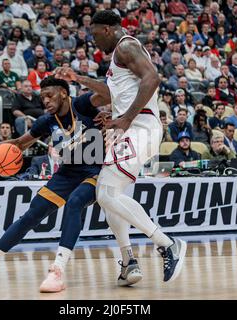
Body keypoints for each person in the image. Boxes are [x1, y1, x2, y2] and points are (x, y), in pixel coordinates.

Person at [57, 10, 187, 284]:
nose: (93, 42)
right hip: (134, 128)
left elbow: (153, 78)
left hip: (140, 128)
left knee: (104, 192)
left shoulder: (126, 46)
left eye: (94, 35)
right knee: (109, 197)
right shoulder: (120, 58)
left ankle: (167, 243)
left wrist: (127, 117)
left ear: (107, 29)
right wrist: (79, 79)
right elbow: (111, 91)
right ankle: (128, 262)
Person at [0, 77, 123, 293]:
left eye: (49, 95)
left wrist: (76, 77)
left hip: (95, 172)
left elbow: (109, 94)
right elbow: (19, 143)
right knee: (32, 214)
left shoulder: (81, 105)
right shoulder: (47, 121)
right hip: (67, 173)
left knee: (74, 203)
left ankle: (57, 271)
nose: (44, 100)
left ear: (63, 93)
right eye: (41, 97)